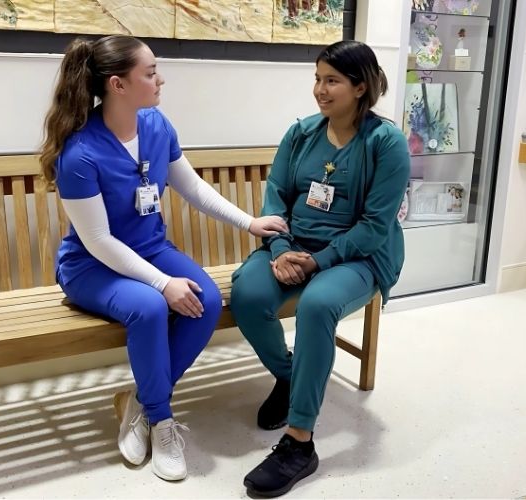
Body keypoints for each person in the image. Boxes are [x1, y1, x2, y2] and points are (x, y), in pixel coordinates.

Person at [39, 35, 287, 482]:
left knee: (206, 301)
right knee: (152, 306)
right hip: (91, 265)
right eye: (150, 72)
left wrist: (249, 222)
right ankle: (163, 421)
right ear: (117, 84)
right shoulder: (79, 153)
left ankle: (140, 401)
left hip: (150, 250)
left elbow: (191, 188)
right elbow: (97, 240)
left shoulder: (155, 124)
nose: (160, 79)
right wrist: (161, 283)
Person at [230, 40, 411, 497]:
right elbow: (276, 194)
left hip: (356, 257)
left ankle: (299, 441)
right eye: (317, 78)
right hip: (292, 247)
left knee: (317, 304)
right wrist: (280, 249)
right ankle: (291, 375)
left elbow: (375, 226)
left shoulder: (385, 143)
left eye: (331, 80)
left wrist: (317, 260)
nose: (319, 90)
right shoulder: (302, 133)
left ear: (360, 86)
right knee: (248, 296)